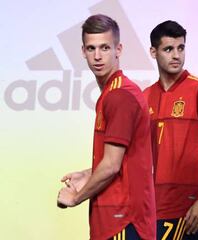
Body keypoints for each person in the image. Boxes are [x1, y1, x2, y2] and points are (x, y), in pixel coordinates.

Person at [57, 14, 156, 240]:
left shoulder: (120, 96)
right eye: (91, 49)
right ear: (83, 52)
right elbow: (124, 160)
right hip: (117, 219)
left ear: (118, 49)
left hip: (122, 221)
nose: (98, 56)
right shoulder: (112, 93)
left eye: (105, 47)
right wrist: (88, 173)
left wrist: (76, 196)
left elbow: (112, 165)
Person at [143, 20, 198, 240]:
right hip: (149, 209)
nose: (176, 55)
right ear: (153, 52)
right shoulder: (144, 97)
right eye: (168, 49)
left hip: (187, 211)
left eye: (181, 48)